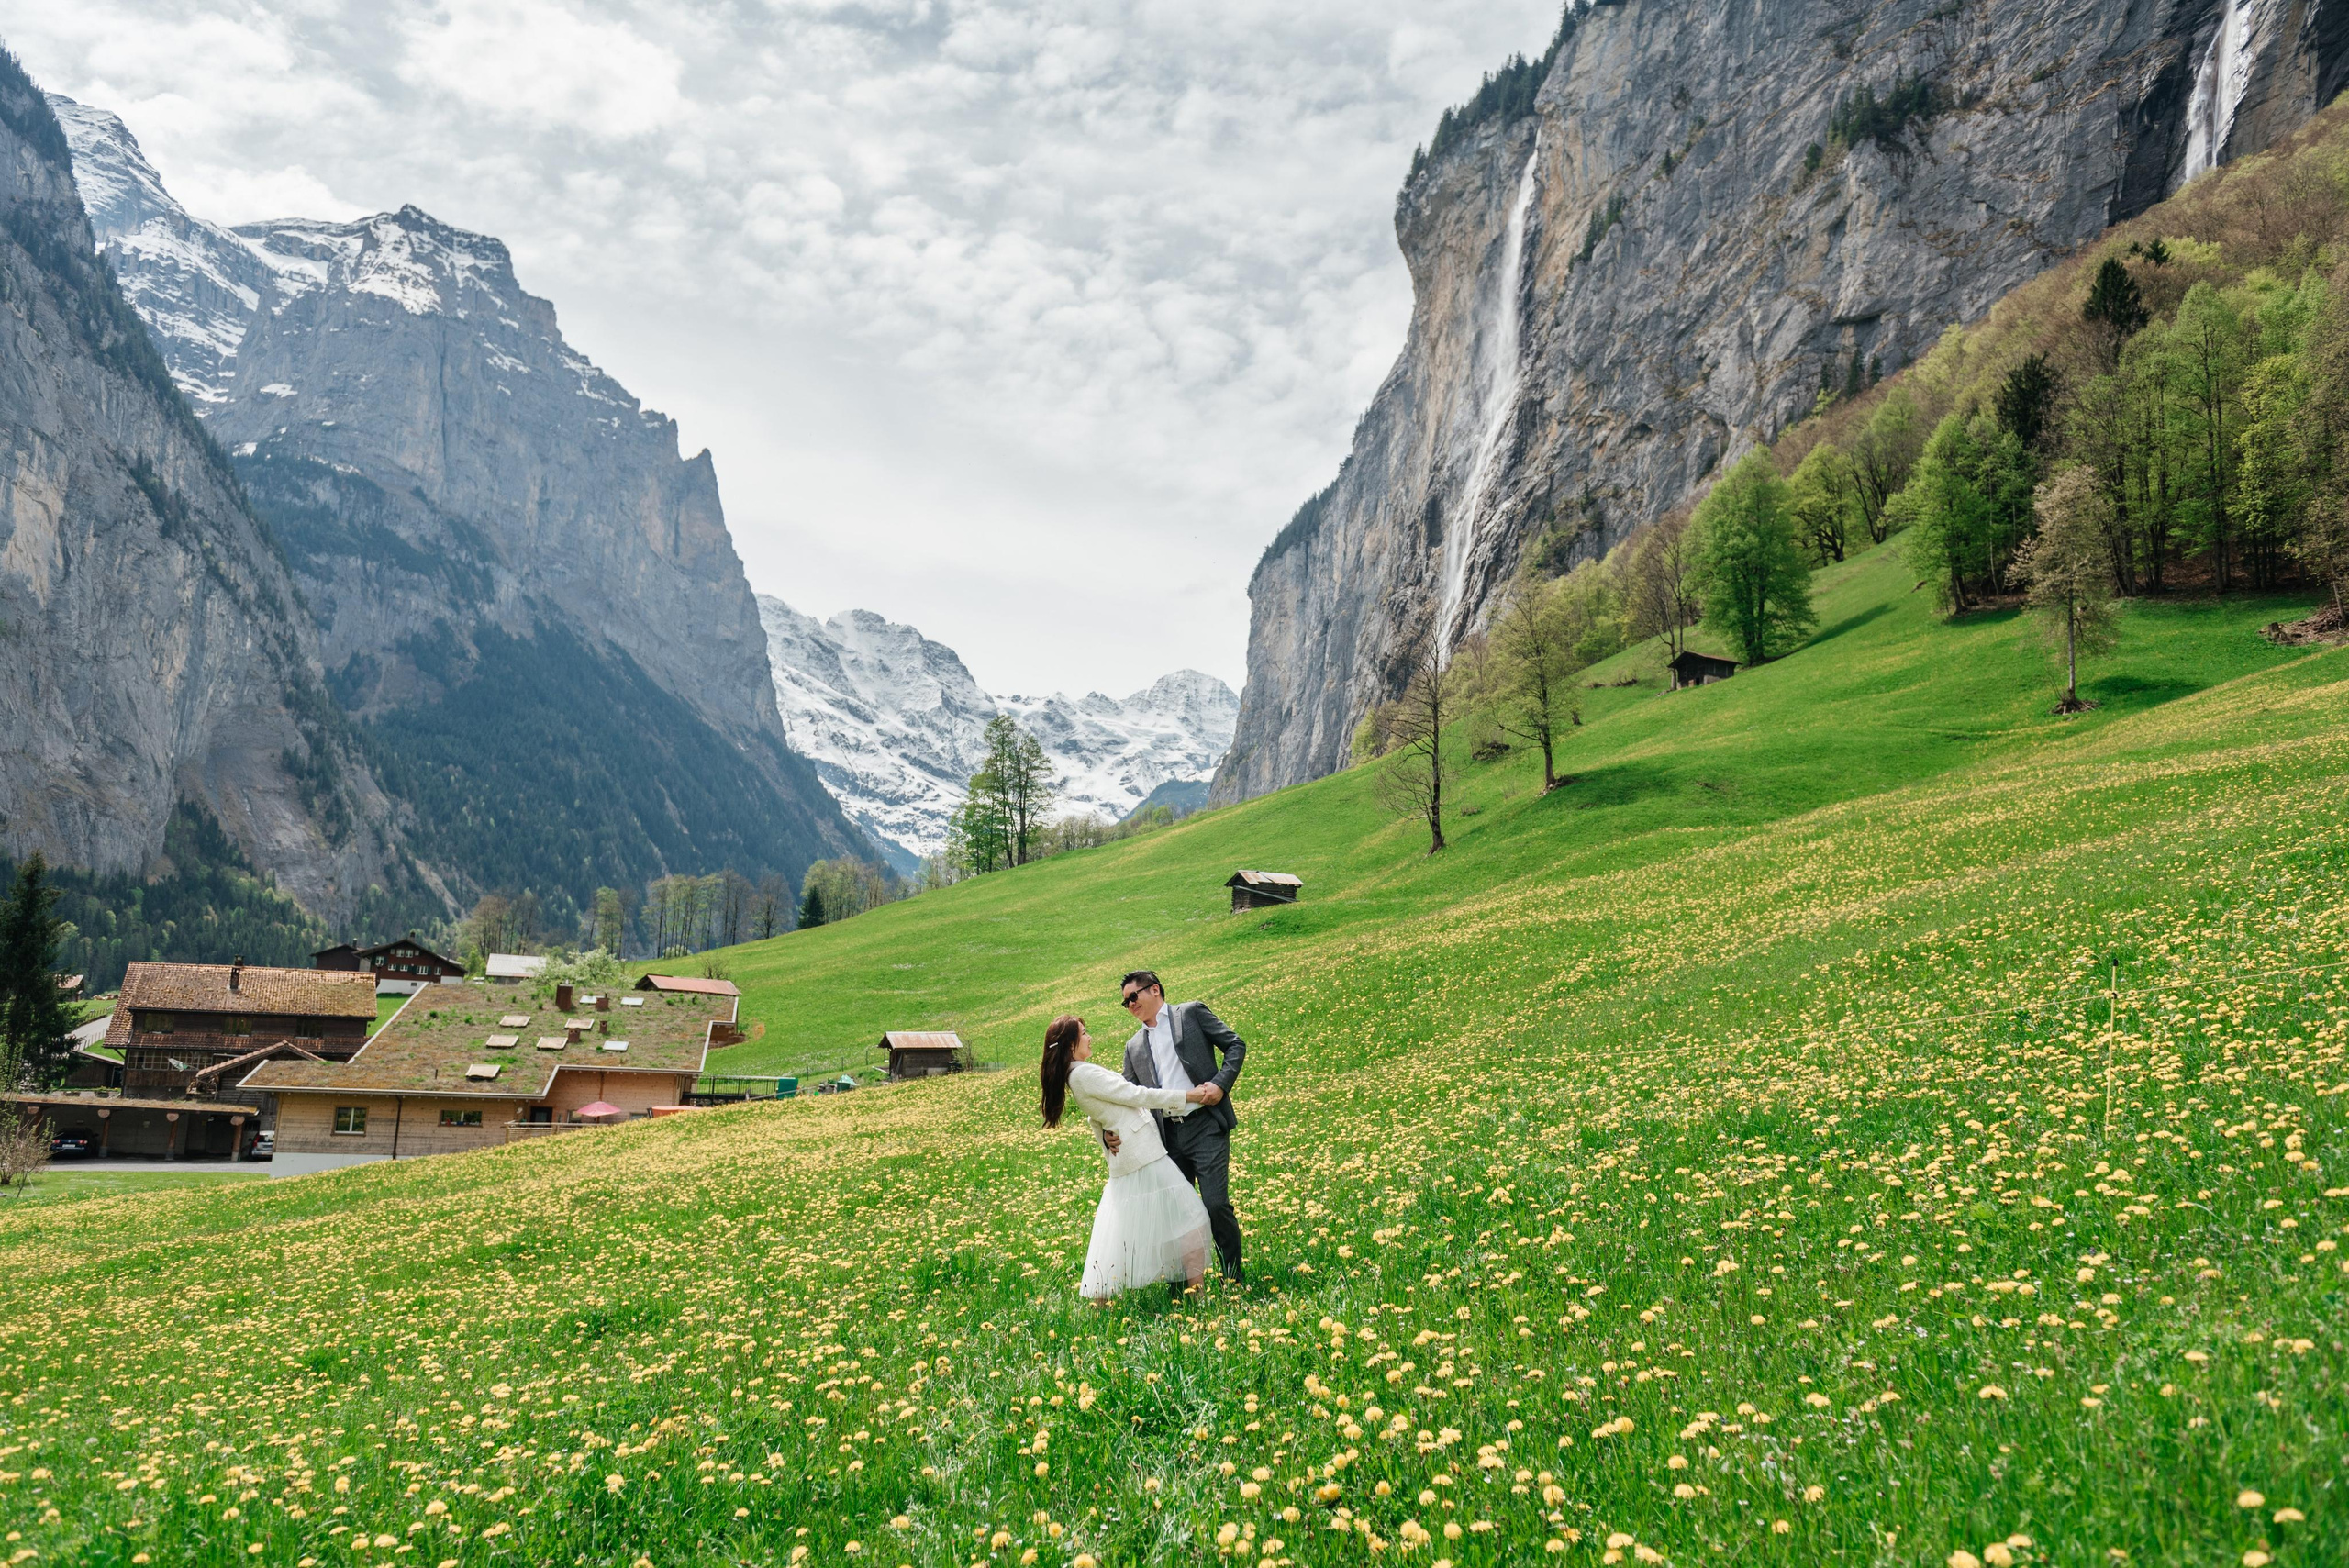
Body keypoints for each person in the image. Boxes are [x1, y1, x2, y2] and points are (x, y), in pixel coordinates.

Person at [1040, 1013, 1218, 1301]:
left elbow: (1096, 1112)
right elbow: (1134, 1095)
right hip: (1141, 1156)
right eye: (1084, 1033)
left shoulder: (1077, 1074)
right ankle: (1195, 1298)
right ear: (1071, 1044)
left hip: (1135, 1154)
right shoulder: (1083, 1074)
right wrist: (1188, 1096)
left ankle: (1106, 1301)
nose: (1089, 1037)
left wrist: (1103, 1133)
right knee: (1191, 1219)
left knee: (1126, 1232)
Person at [1108, 968, 1246, 1284]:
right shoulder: (1133, 1047)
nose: (1130, 1005)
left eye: (1134, 996)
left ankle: (1233, 1278)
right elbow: (1126, 1095)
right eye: (1125, 1002)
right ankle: (1182, 1287)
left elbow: (1235, 1045)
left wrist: (1221, 1085)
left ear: (1154, 990)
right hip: (1167, 1138)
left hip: (1206, 1125)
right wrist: (1107, 1127)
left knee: (1215, 1204)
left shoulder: (1192, 1013)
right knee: (1175, 1216)